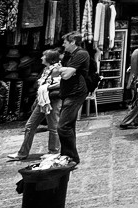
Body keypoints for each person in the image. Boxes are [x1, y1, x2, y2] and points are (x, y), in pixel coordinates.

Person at [8, 49, 62, 161]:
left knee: (53, 127)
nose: (41, 58)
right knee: (30, 125)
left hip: (51, 100)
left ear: (49, 58)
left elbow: (59, 83)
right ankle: (22, 153)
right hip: (42, 100)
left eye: (44, 56)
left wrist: (46, 87)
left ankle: (54, 151)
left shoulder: (56, 69)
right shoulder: (46, 69)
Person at [57, 32, 90, 164]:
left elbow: (65, 75)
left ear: (73, 42)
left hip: (76, 92)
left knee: (63, 126)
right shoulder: (69, 55)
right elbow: (58, 71)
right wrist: (65, 70)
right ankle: (67, 155)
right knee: (69, 125)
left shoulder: (81, 54)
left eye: (65, 42)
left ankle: (72, 156)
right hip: (67, 92)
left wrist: (66, 70)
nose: (63, 44)